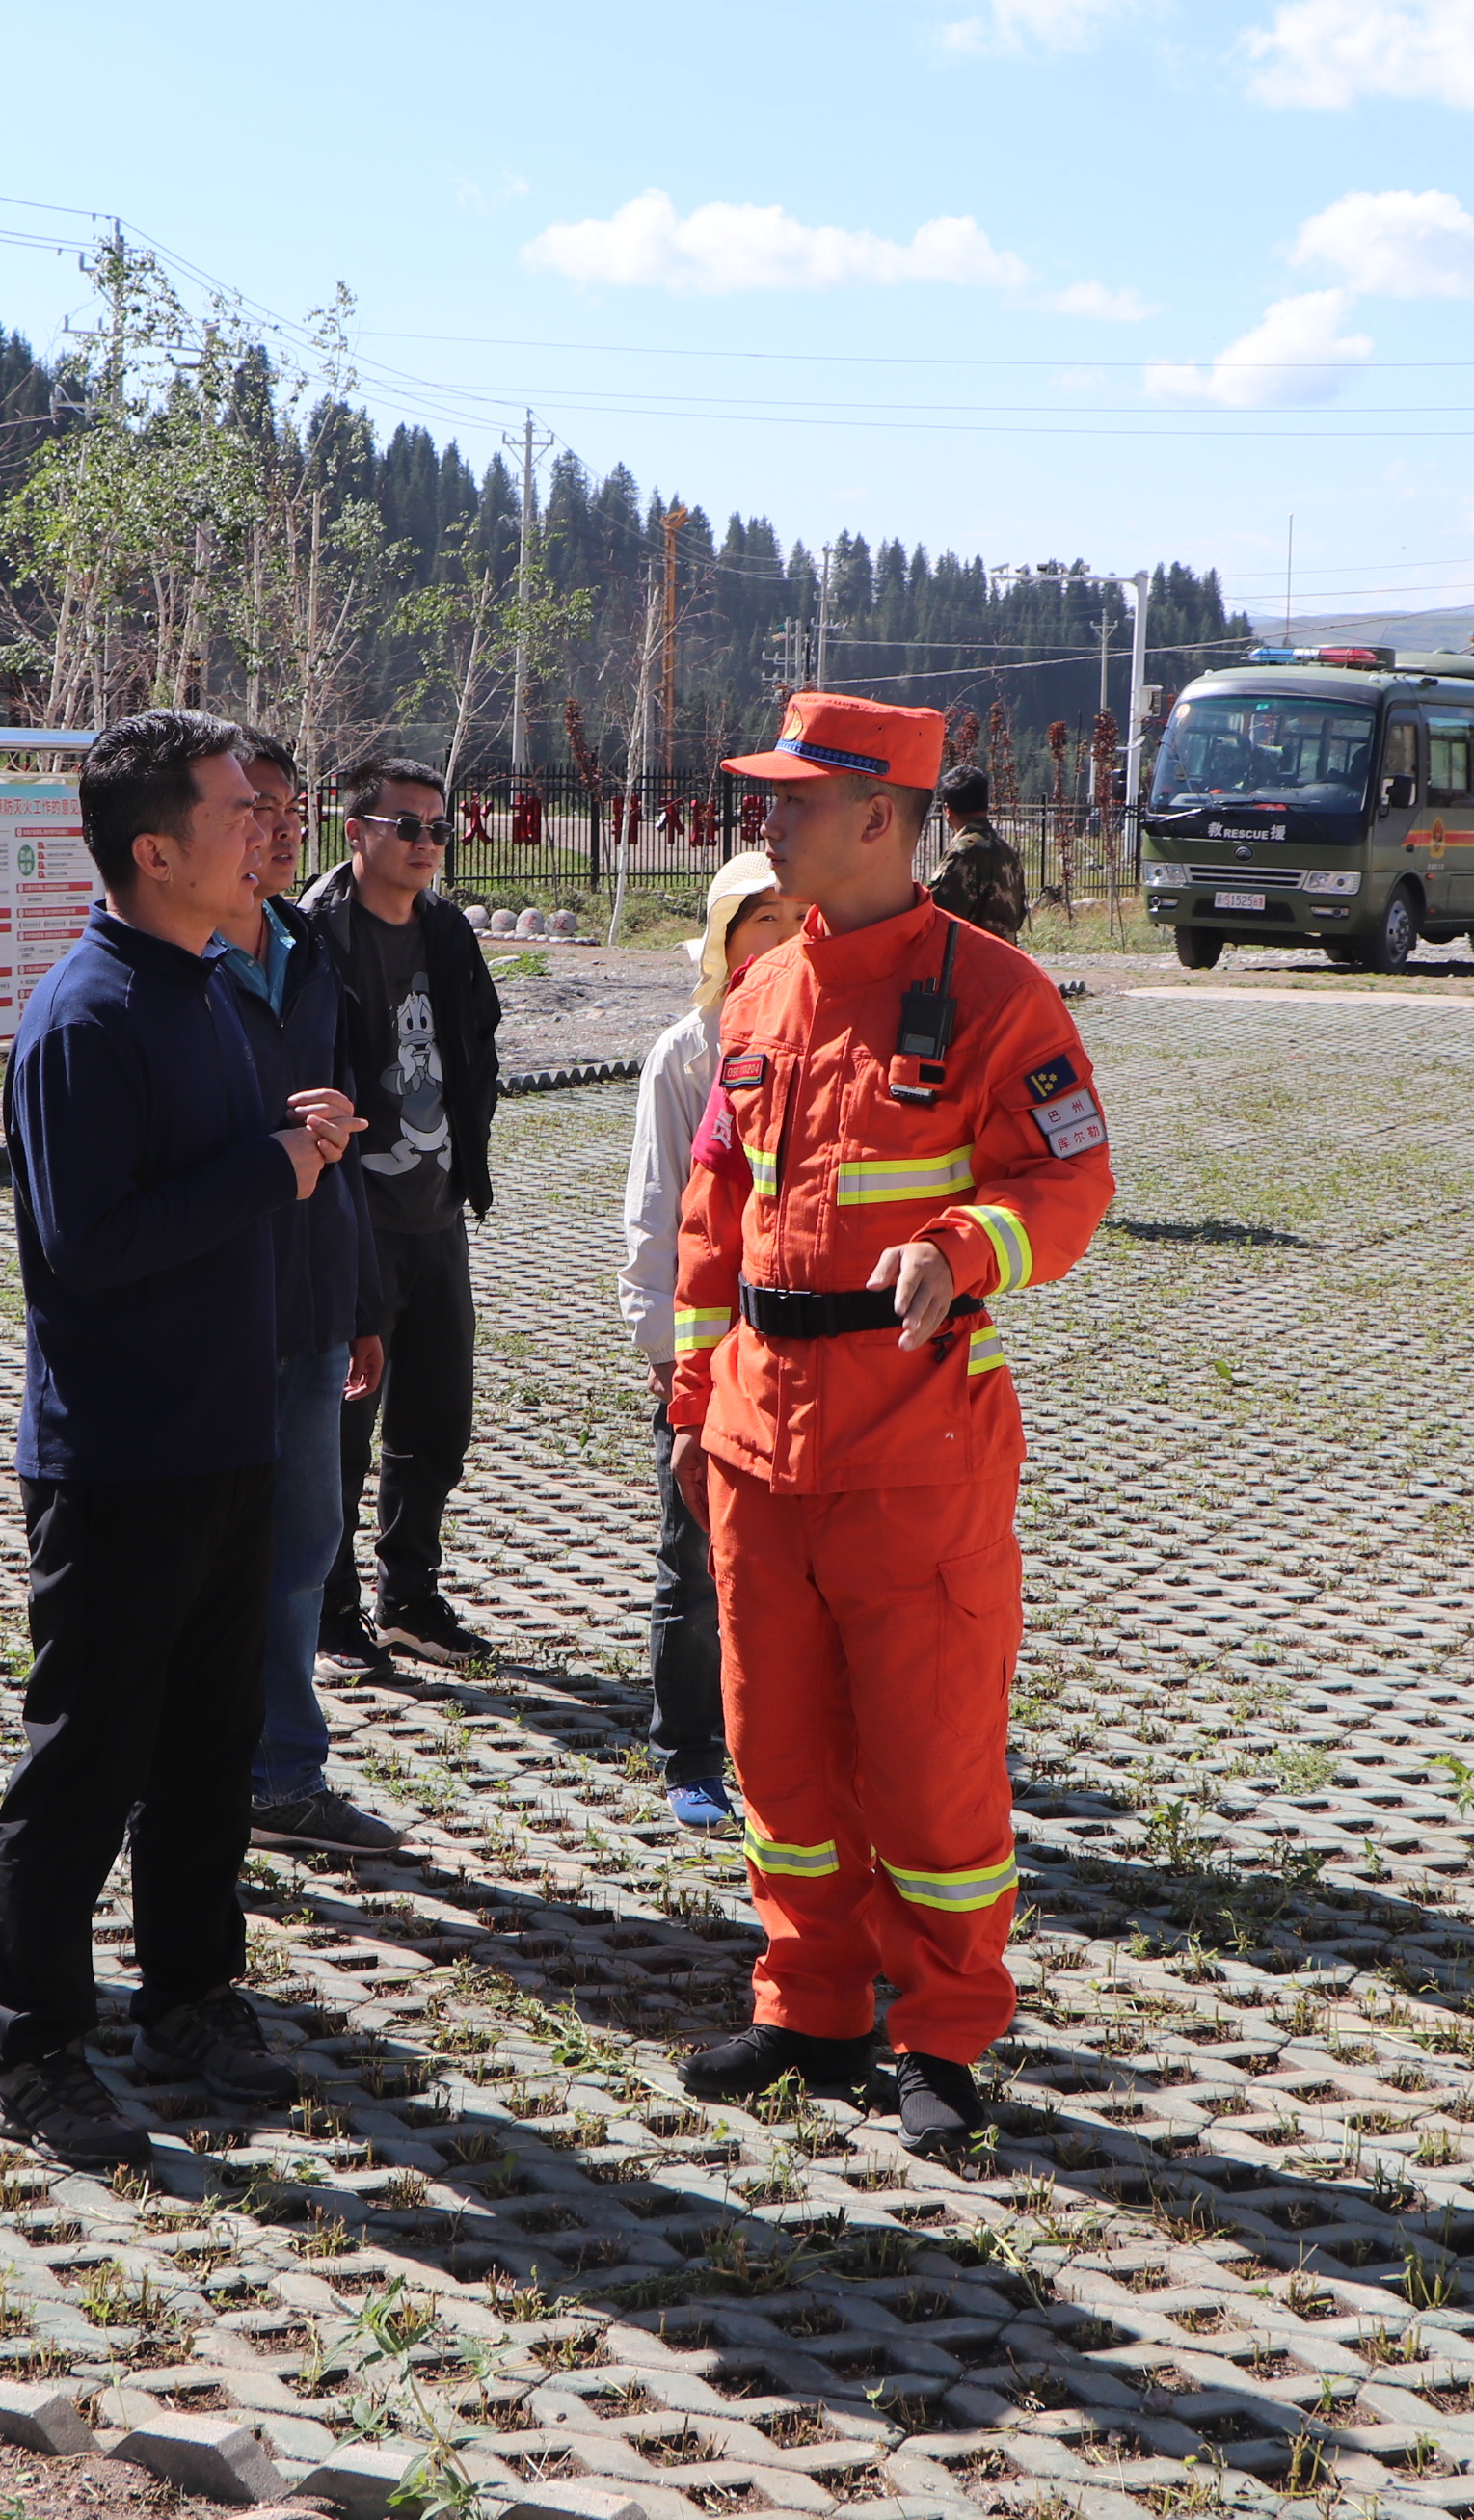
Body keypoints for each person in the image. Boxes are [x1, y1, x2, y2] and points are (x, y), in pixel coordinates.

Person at [666, 692, 1116, 2160]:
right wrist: (691, 1403)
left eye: (792, 800)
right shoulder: (758, 994)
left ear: (879, 819)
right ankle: (810, 2002)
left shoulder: (996, 995)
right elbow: (712, 1214)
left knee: (929, 1763)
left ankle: (942, 2030)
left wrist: (971, 1244)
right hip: (757, 1443)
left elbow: (1071, 1188)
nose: (765, 820)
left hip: (914, 1447)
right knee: (779, 1753)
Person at [0, 707, 361, 2165]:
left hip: (227, 1434)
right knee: (90, 1756)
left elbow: (217, 1179)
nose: (263, 827)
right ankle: (36, 2041)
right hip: (121, 1453)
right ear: (155, 850)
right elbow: (92, 1242)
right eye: (231, 808)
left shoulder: (208, 987)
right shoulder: (85, 1014)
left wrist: (297, 1148)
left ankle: (193, 1998)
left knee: (208, 1748)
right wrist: (271, 1165)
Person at [223, 730, 408, 1858]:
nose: (283, 828)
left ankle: (284, 1772)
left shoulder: (305, 947)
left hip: (309, 1306)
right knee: (206, 1568)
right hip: (207, 1320)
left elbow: (350, 1144)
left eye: (293, 808)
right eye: (259, 808)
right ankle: (184, 1784)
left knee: (301, 1551)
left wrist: (365, 1301)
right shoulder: (168, 967)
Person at [301, 757, 504, 1672]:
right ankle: (329, 1606)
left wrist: (467, 1159)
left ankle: (410, 1597)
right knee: (342, 1425)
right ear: (357, 832)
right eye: (406, 825)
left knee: (436, 1419)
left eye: (437, 827)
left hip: (435, 1212)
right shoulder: (312, 938)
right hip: (352, 1220)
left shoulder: (449, 933)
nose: (426, 844)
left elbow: (478, 1048)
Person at [617, 852, 805, 1835]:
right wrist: (665, 1354)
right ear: (726, 938)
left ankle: (775, 1746)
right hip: (709, 1353)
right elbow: (659, 1216)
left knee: (790, 1568)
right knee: (694, 1560)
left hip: (804, 1359)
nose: (778, 935)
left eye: (791, 914)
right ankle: (688, 1750)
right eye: (758, 917)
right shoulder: (689, 1053)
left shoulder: (823, 1039)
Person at [924, 763, 1030, 942]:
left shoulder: (963, 851)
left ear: (947, 810)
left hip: (971, 961)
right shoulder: (1006, 851)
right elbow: (1018, 915)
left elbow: (939, 916)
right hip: (1004, 959)